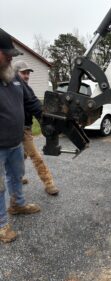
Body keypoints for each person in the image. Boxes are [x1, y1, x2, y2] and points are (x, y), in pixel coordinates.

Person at [0, 28, 42, 243]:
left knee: (16, 176)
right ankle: (1, 226)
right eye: (6, 53)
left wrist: (48, 119)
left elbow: (32, 103)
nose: (10, 57)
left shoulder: (14, 78)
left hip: (15, 143)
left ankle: (17, 204)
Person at [13, 60, 59, 196]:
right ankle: (49, 183)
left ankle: (17, 178)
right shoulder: (12, 88)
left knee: (22, 155)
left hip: (25, 128)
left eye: (28, 73)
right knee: (34, 156)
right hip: (14, 130)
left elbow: (34, 105)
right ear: (15, 73)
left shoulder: (26, 88)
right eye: (23, 73)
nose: (27, 76)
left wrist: (44, 119)